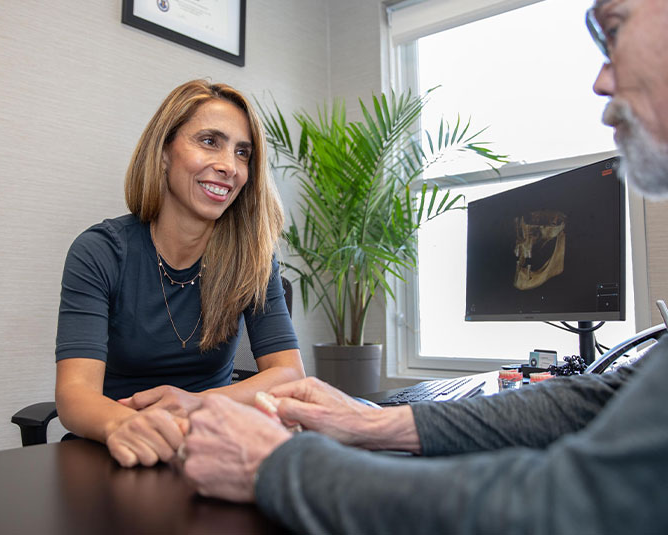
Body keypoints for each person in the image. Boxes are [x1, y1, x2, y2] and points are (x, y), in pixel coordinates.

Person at [180, 2, 668, 533]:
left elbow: (573, 505)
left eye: (613, 29)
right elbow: (595, 402)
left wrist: (275, 467)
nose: (599, 80)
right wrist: (370, 421)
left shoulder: (254, 258)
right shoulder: (107, 249)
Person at [54, 80, 305, 468]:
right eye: (209, 141)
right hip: (119, 445)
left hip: (213, 445)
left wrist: (197, 404)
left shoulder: (253, 257)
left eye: (243, 153)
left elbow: (288, 375)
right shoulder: (100, 251)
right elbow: (74, 394)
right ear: (165, 153)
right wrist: (127, 424)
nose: (229, 166)